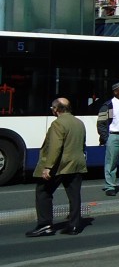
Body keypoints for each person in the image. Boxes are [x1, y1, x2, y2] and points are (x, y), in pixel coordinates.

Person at [26, 97, 88, 237]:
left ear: (56, 109)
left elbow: (55, 147)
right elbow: (82, 143)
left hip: (60, 165)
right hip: (76, 164)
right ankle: (74, 225)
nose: (52, 110)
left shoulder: (58, 124)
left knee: (43, 192)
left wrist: (48, 167)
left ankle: (45, 225)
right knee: (74, 195)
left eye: (52, 108)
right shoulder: (79, 122)